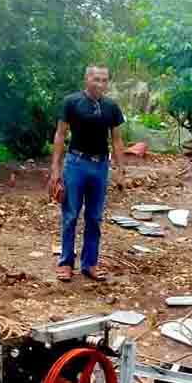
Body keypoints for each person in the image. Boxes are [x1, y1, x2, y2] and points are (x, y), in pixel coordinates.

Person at [48, 65, 126, 282]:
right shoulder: (71, 102)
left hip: (100, 166)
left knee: (94, 217)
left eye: (104, 80)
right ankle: (66, 263)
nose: (100, 84)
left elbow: (117, 140)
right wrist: (55, 169)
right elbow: (60, 134)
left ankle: (90, 264)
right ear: (87, 79)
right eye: (96, 79)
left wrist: (120, 170)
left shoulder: (111, 107)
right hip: (76, 164)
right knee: (70, 215)